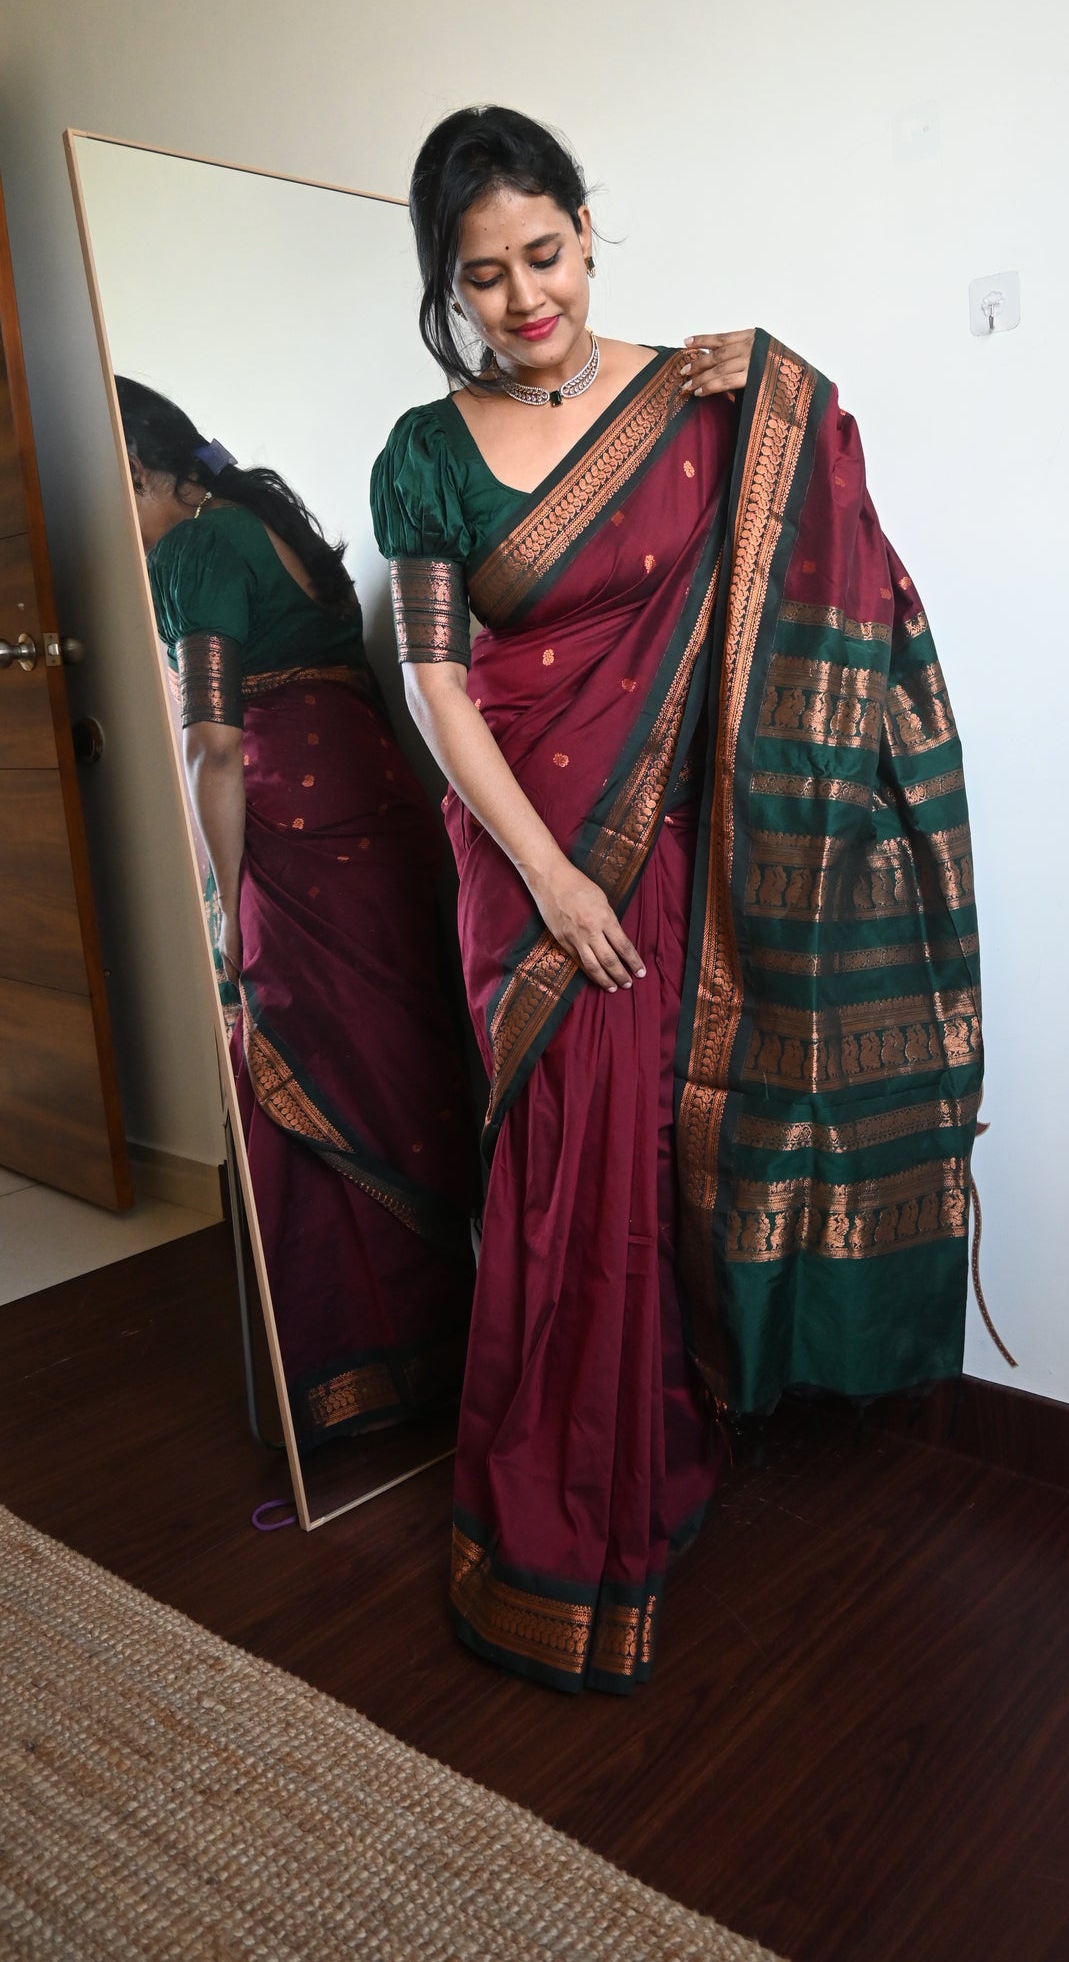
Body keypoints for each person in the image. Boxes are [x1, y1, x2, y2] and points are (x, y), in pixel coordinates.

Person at [371, 107, 983, 1694]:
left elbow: (816, 548)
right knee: (563, 1166)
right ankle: (558, 1527)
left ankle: (661, 1455)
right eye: (484, 275)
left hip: (688, 854)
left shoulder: (700, 401)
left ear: (588, 226)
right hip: (530, 866)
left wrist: (785, 387)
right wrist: (552, 874)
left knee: (664, 1155)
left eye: (547, 255)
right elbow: (440, 690)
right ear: (449, 283)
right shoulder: (425, 452)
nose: (525, 301)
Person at [123, 379, 477, 1453]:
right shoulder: (279, 528)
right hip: (382, 815)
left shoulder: (194, 548)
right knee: (402, 1076)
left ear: (149, 475)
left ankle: (355, 1378)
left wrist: (224, 906)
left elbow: (215, 746)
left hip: (296, 829)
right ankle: (446, 1351)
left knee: (292, 1074)